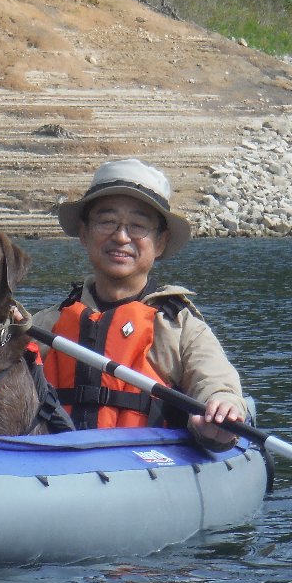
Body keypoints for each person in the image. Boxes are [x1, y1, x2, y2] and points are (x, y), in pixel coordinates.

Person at [33, 158, 247, 449]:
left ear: (160, 242)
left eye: (138, 226)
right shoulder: (42, 327)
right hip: (55, 470)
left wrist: (222, 405)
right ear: (84, 233)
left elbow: (216, 383)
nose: (121, 237)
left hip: (145, 472)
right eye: (107, 222)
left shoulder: (181, 328)